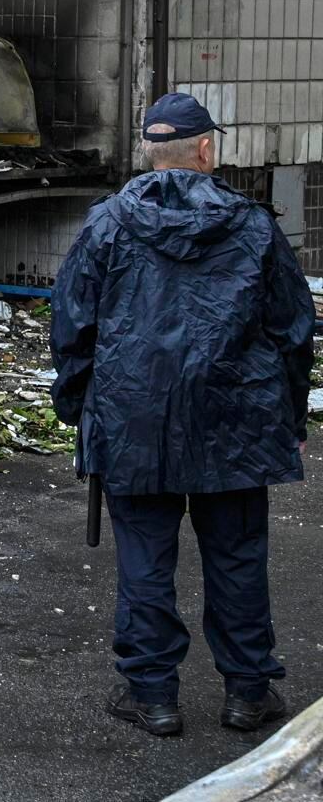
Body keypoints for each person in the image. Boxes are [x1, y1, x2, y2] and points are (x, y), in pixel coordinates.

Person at [52, 91, 316, 737]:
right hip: (236, 420)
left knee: (145, 556)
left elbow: (72, 325)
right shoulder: (253, 226)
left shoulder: (109, 223)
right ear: (205, 149)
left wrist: (77, 405)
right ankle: (248, 692)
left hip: (135, 419)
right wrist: (286, 415)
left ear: (149, 151)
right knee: (237, 556)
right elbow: (293, 329)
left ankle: (153, 695)